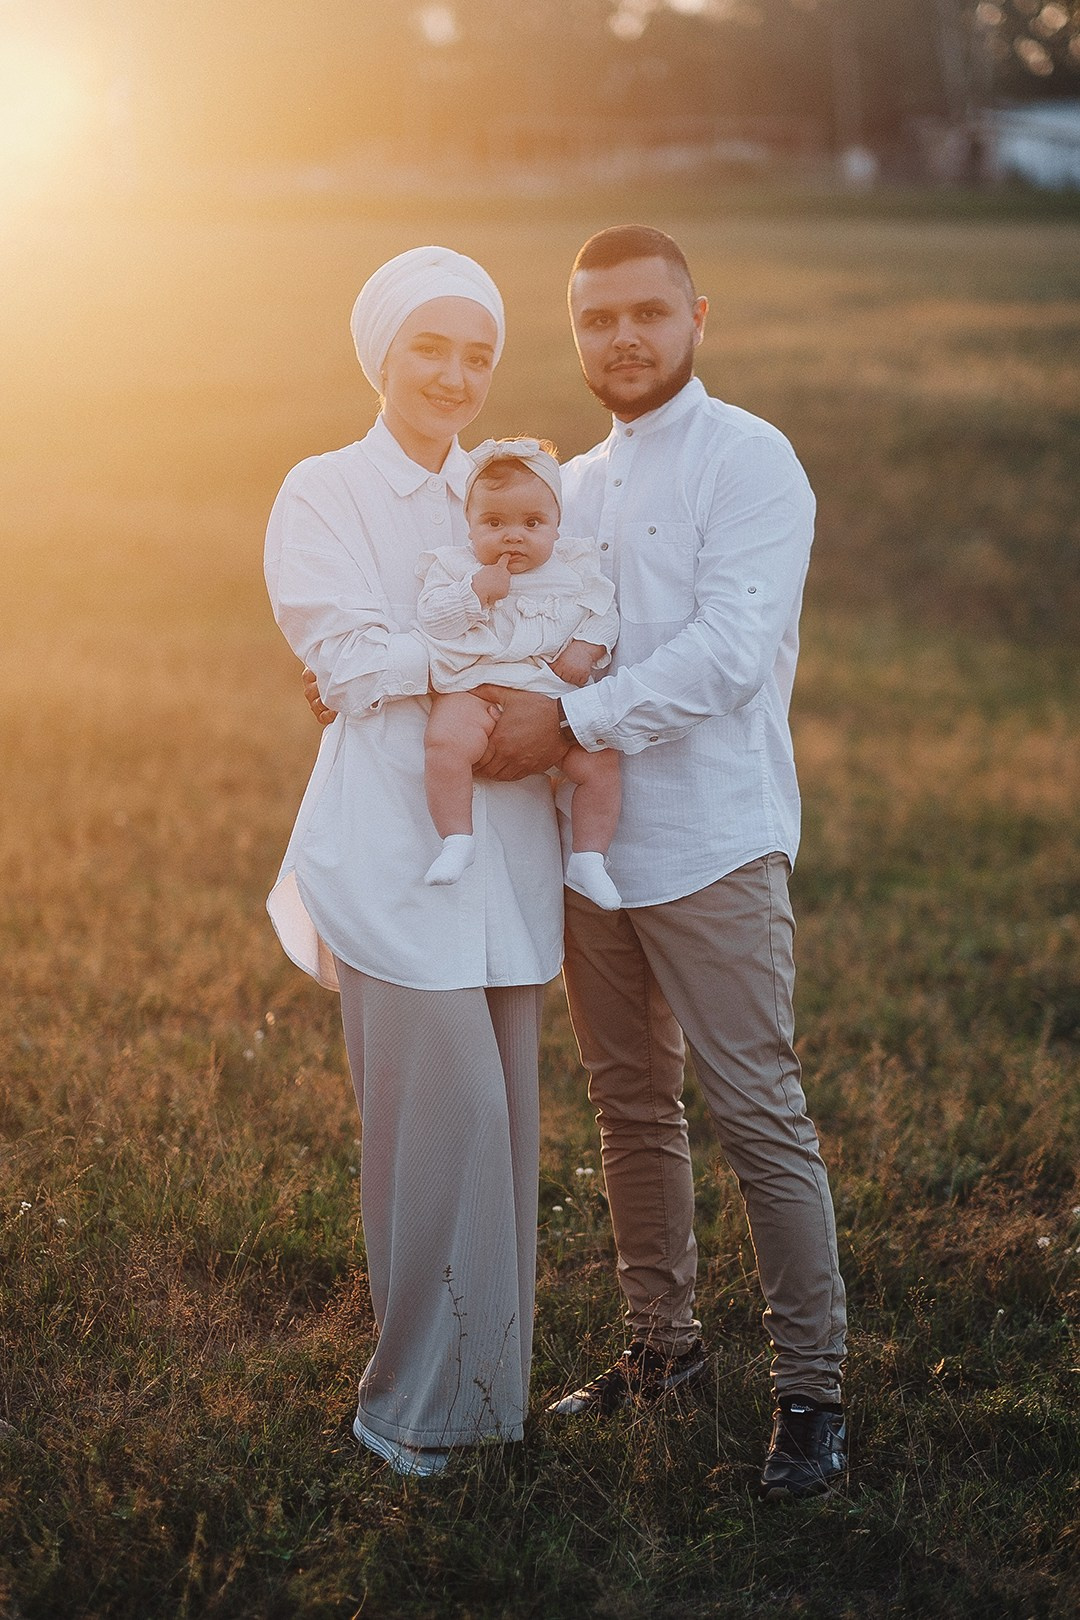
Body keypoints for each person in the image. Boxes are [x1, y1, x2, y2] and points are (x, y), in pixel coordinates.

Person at [469, 226, 849, 1499]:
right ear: (575, 335)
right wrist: (373, 676)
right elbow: (509, 621)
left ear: (699, 316)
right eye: (596, 321)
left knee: (757, 1112)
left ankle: (814, 1397)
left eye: (646, 312)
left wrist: (570, 720)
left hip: (715, 842)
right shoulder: (566, 483)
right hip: (591, 854)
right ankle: (662, 1350)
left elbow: (733, 653)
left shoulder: (751, 459)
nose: (621, 338)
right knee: (631, 1106)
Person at [265, 246, 564, 1477]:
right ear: (380, 355)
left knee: (506, 1134)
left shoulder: (507, 486)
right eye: (430, 349)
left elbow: (575, 621)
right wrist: (477, 667)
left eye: (479, 354)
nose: (455, 375)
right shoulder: (322, 489)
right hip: (388, 849)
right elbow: (341, 664)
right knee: (438, 1123)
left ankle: (489, 1402)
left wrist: (445, 664)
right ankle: (409, 1416)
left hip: (511, 854)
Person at [418, 435, 622, 911]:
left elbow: (603, 612)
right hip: (475, 686)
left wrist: (585, 649)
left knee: (601, 765)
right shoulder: (455, 568)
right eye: (493, 522)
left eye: (532, 523)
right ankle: (455, 839)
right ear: (469, 528)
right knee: (444, 744)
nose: (513, 535)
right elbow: (432, 619)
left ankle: (590, 858)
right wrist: (476, 592)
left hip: (550, 689)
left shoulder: (575, 568)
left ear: (556, 527)